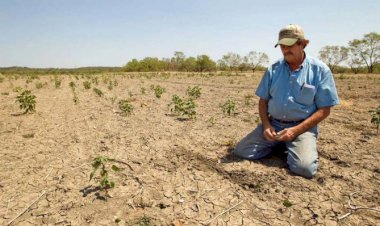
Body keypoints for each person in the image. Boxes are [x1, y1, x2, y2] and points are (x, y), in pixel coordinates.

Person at [233, 24, 339, 178]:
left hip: (301, 128)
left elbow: (324, 110)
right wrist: (267, 125)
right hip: (274, 125)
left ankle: (295, 146)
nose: (285, 49)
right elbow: (263, 102)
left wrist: (295, 131)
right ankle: (280, 144)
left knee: (304, 169)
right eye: (282, 45)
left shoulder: (320, 70)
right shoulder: (273, 69)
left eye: (290, 44)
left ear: (303, 44)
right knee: (242, 151)